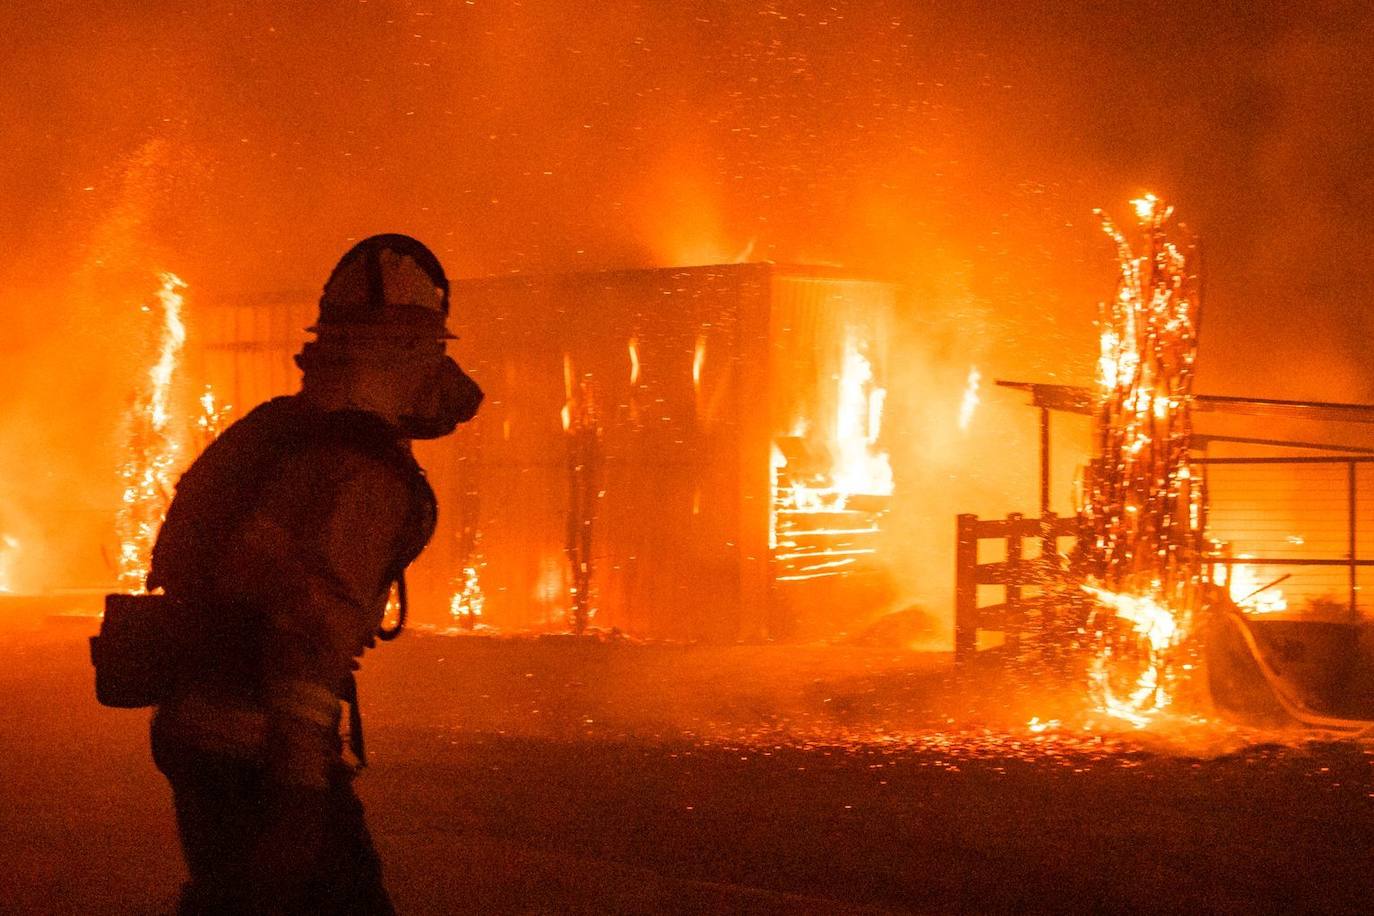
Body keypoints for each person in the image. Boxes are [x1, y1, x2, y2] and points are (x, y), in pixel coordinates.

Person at [146, 234, 482, 914]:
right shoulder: (361, 472)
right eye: (430, 349)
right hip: (259, 748)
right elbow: (310, 625)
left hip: (194, 728)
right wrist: (300, 791)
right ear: (397, 354)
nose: (439, 367)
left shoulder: (278, 431)